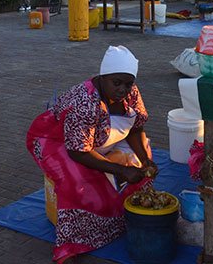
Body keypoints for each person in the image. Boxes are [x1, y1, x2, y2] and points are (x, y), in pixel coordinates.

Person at [26, 46, 156, 263]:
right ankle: (70, 244)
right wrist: (120, 170)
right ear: (103, 77)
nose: (123, 89)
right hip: (56, 141)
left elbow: (135, 128)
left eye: (128, 83)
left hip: (96, 139)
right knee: (76, 181)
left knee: (139, 161)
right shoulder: (84, 102)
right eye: (117, 83)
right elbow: (78, 152)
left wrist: (145, 161)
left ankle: (127, 218)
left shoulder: (130, 92)